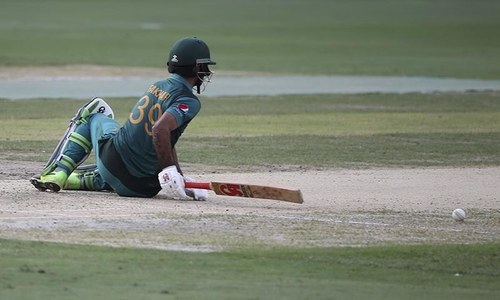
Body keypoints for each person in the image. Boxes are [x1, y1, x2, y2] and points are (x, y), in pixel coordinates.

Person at [31, 37, 216, 200]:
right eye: (205, 66)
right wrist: (169, 171)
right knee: (131, 151)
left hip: (112, 166)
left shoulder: (157, 85)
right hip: (143, 188)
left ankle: (59, 173)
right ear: (197, 66)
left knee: (95, 112)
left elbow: (164, 135)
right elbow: (160, 131)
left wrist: (179, 177)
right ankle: (80, 180)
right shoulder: (188, 100)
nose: (206, 72)